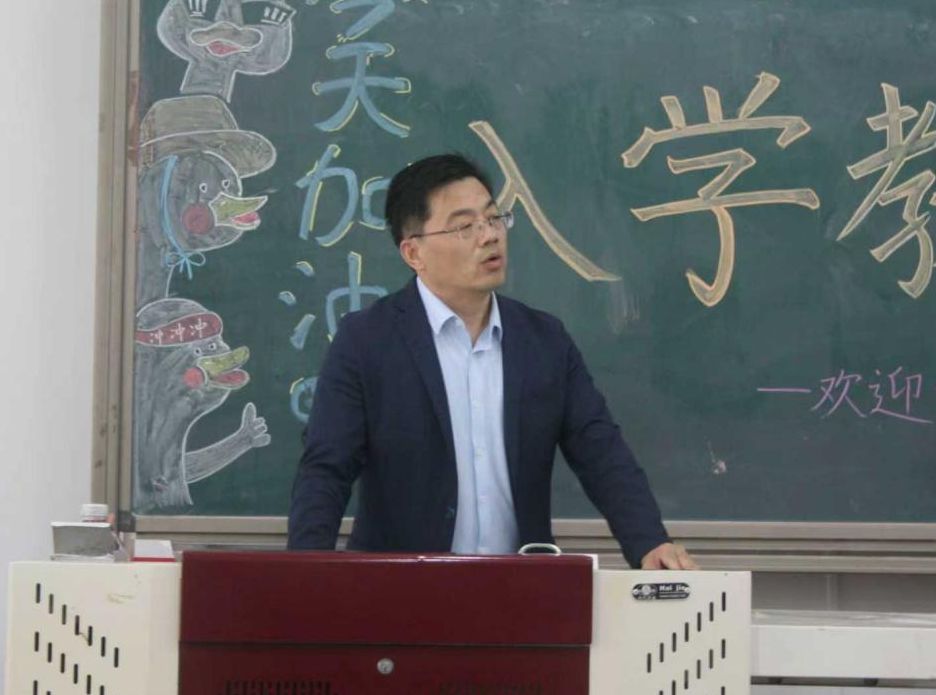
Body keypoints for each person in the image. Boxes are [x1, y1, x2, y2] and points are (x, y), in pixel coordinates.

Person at [287, 153, 695, 569]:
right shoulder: (366, 341)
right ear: (414, 252)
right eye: (465, 226)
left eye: (494, 218)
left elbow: (601, 452)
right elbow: (326, 470)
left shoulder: (543, 340)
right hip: (404, 589)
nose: (489, 236)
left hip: (518, 588)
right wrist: (304, 574)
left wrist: (649, 542)